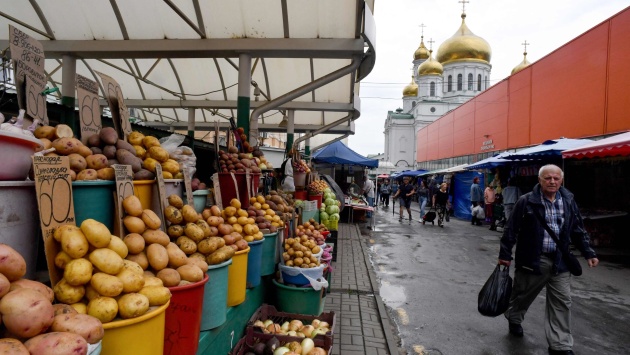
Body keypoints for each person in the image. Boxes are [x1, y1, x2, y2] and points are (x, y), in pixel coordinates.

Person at [498, 164, 599, 355]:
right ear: (540, 180)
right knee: (522, 295)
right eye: (548, 178)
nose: (552, 181)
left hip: (560, 261)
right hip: (532, 259)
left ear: (561, 180)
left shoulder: (568, 200)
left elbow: (577, 228)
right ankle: (514, 316)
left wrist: (589, 252)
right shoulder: (526, 201)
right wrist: (505, 255)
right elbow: (511, 229)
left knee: (562, 302)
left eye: (556, 178)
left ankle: (560, 345)